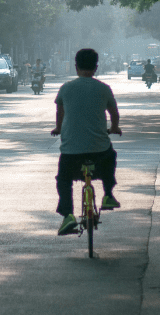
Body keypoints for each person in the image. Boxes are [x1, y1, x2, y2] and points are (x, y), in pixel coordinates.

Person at [50, 48, 123, 235]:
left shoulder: (66, 88)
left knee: (63, 179)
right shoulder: (103, 88)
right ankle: (108, 195)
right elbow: (114, 113)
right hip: (99, 153)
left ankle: (67, 215)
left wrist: (58, 129)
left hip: (71, 154)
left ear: (76, 67)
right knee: (110, 156)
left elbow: (60, 112)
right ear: (96, 67)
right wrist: (114, 128)